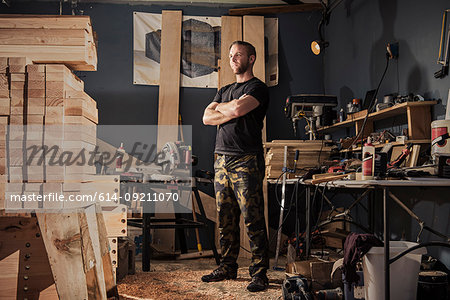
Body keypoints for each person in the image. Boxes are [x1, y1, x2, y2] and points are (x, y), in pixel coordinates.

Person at [201, 40, 270, 292]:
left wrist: (224, 109)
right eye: (231, 55)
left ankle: (260, 273)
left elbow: (241, 108)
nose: (233, 59)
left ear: (251, 58)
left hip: (246, 160)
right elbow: (207, 117)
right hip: (221, 160)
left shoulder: (258, 88)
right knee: (226, 218)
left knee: (252, 219)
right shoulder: (225, 89)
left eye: (238, 54)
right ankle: (228, 266)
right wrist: (227, 109)